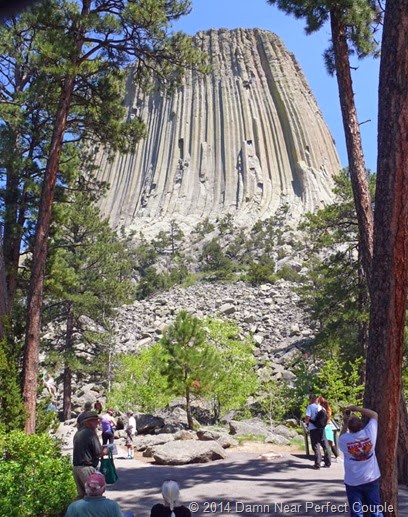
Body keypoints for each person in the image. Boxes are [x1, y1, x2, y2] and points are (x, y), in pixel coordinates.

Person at [339, 405, 383, 517]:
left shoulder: (345, 440)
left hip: (353, 481)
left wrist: (344, 424)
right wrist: (357, 409)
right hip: (371, 478)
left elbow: (341, 436)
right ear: (361, 424)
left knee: (356, 512)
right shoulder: (369, 433)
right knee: (375, 510)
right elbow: (374, 415)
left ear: (349, 427)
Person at [65, 471, 134, 517]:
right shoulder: (112, 506)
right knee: (129, 514)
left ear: (86, 487)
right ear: (103, 489)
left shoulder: (73, 507)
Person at [72, 411, 106, 498]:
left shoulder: (78, 433)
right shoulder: (91, 434)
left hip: (76, 468)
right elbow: (98, 453)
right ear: (88, 422)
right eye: (95, 420)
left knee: (82, 495)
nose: (97, 422)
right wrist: (106, 451)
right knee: (93, 494)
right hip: (87, 468)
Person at [305, 394, 331, 469]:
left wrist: (307, 422)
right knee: (325, 445)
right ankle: (328, 462)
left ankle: (317, 463)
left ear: (311, 399)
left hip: (313, 429)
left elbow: (307, 418)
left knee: (316, 446)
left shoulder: (310, 407)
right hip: (322, 428)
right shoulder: (322, 408)